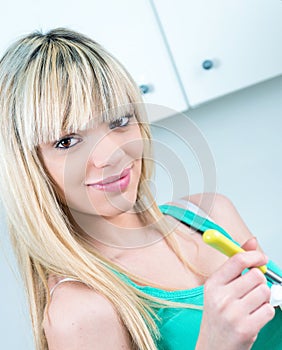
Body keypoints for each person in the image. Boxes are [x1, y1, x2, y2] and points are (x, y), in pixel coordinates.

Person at [0, 28, 281, 350]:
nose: (110, 155)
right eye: (66, 142)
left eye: (118, 121)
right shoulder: (80, 312)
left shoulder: (210, 214)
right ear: (29, 167)